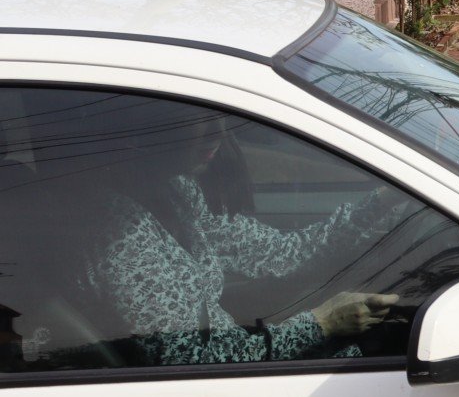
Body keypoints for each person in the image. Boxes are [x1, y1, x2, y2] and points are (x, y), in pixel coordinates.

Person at [81, 103, 408, 367]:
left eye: (218, 115)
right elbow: (188, 361)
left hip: (234, 363)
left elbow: (277, 253)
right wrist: (320, 324)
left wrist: (383, 201)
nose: (217, 134)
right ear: (147, 122)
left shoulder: (175, 191)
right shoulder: (116, 228)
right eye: (195, 116)